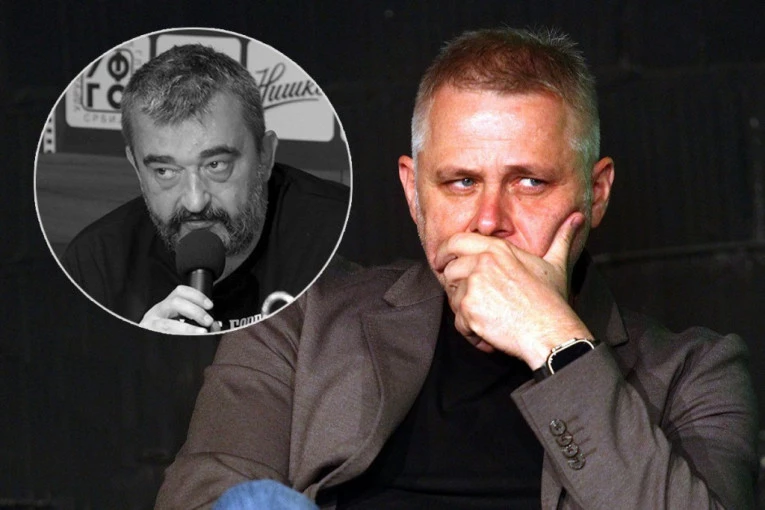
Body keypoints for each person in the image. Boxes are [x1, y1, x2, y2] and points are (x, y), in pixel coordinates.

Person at [155, 28, 758, 508]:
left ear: (595, 194)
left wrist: (556, 342)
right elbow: (203, 497)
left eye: (530, 181)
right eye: (461, 182)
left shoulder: (694, 373)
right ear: (414, 193)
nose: (489, 220)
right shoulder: (296, 321)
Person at [62, 44, 349, 334]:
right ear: (136, 168)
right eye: (165, 171)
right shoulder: (95, 265)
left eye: (216, 165)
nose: (195, 202)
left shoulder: (341, 232)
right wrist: (136, 342)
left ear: (265, 156)